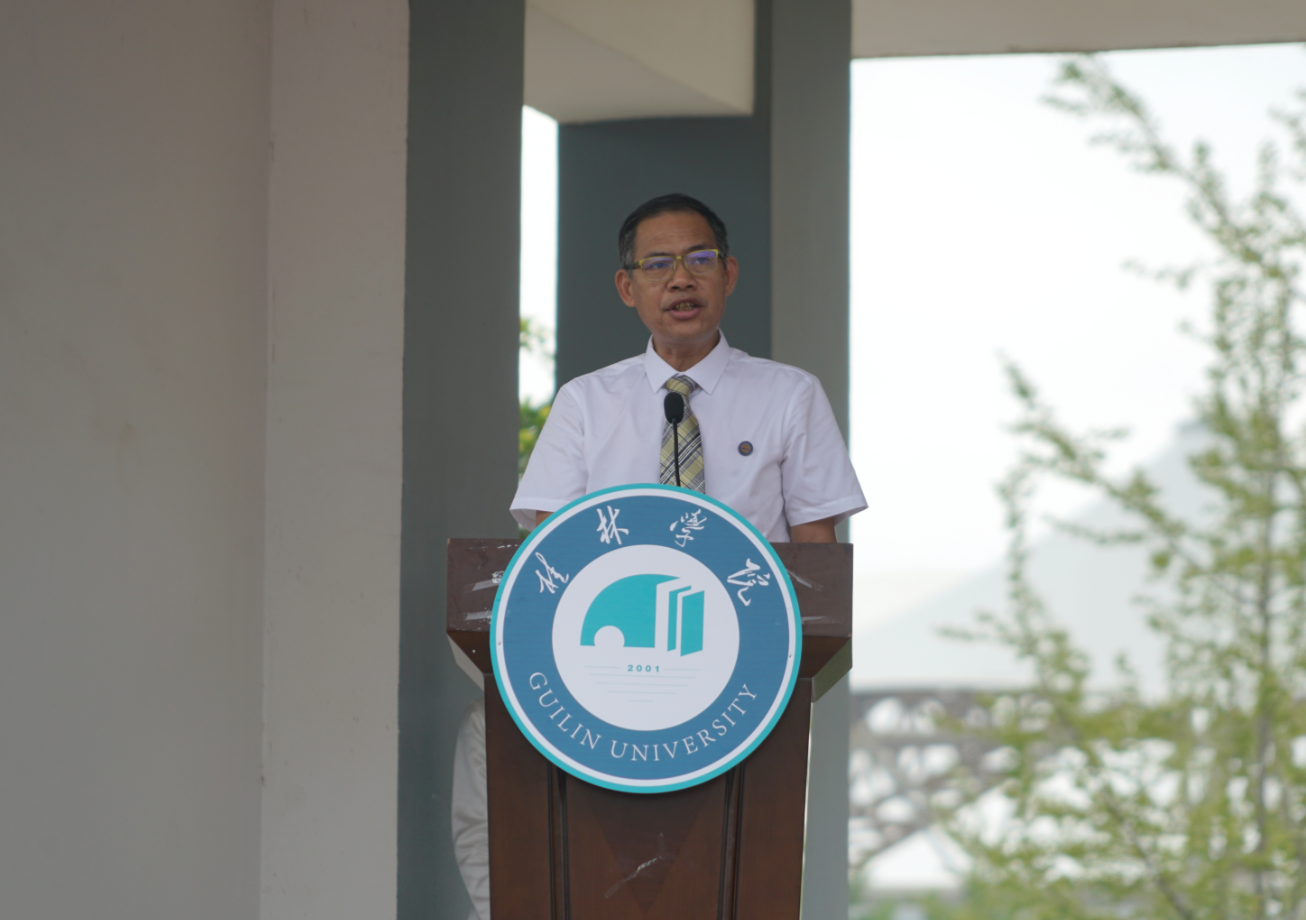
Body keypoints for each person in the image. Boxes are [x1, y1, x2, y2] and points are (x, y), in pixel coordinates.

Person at [451, 193, 866, 919]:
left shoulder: (788, 396)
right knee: (491, 748)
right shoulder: (586, 402)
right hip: (602, 673)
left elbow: (818, 567)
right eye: (658, 264)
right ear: (627, 286)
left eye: (700, 259)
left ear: (729, 274)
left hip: (737, 675)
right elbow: (544, 556)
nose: (681, 279)